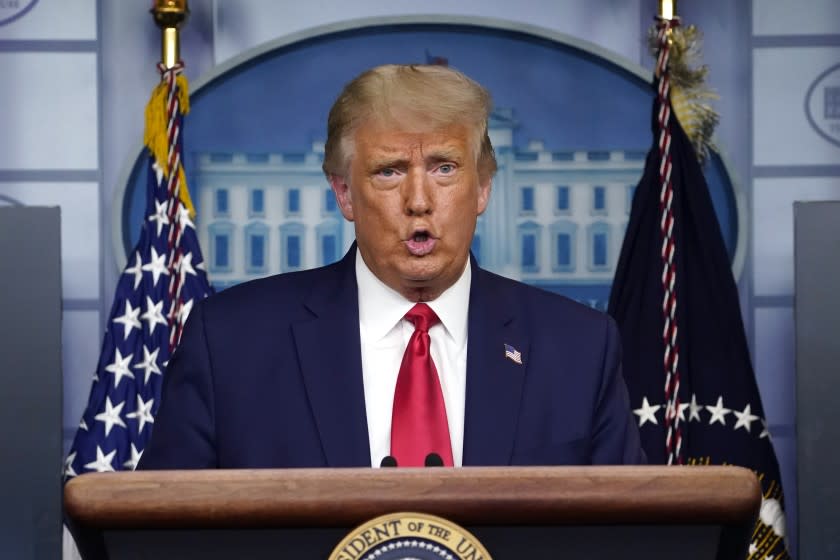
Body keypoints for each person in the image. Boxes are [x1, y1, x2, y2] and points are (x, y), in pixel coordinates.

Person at [139, 64, 644, 470]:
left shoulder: (579, 348)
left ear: (484, 186)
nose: (419, 200)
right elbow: (159, 535)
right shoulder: (231, 342)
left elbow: (630, 537)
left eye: (445, 168)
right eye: (389, 171)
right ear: (344, 193)